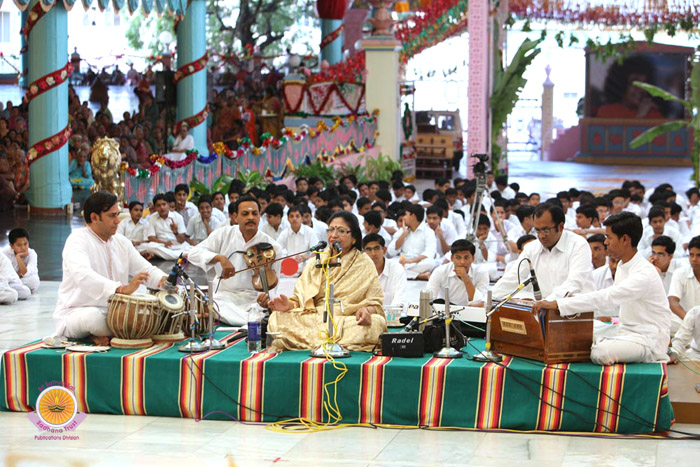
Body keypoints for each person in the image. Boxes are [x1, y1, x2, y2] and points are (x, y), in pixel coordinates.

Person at [533, 212, 672, 365]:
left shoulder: (644, 274)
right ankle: (604, 340)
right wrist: (571, 302)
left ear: (625, 239)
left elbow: (608, 297)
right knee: (575, 330)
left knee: (600, 353)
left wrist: (558, 304)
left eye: (609, 237)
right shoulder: (622, 265)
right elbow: (606, 298)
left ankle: (649, 353)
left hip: (648, 339)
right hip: (624, 330)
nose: (606, 242)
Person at [51, 192, 167, 345]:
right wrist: (120, 289)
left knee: (156, 310)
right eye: (112, 216)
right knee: (95, 319)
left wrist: (164, 281)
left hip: (116, 312)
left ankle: (105, 334)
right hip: (78, 311)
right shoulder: (77, 239)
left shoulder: (121, 241)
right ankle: (94, 333)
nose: (117, 221)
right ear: (94, 218)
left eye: (118, 215)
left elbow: (145, 269)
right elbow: (83, 275)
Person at [263, 211, 386, 352]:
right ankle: (328, 341)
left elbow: (375, 303)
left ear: (353, 238)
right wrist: (288, 305)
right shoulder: (317, 260)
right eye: (331, 230)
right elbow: (299, 299)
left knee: (376, 324)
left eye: (341, 231)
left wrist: (366, 311)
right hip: (314, 317)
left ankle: (308, 341)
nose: (334, 235)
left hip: (346, 318)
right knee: (277, 318)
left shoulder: (364, 263)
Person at [187, 195, 283, 326]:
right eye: (245, 214)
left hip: (253, 299)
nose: (250, 217)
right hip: (224, 297)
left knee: (260, 311)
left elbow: (273, 284)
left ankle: (249, 321)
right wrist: (220, 258)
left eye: (254, 213)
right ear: (235, 217)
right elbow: (193, 253)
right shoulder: (222, 234)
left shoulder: (272, 247)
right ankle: (251, 323)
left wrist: (266, 299)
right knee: (214, 304)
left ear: (259, 217)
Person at [492, 203, 594, 300]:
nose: (541, 236)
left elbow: (574, 283)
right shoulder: (531, 248)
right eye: (537, 230)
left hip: (575, 312)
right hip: (542, 310)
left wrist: (546, 303)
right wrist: (488, 299)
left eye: (546, 230)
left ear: (560, 226)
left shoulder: (578, 245)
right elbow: (512, 278)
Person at [427, 239, 488, 305]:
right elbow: (429, 299)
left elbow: (480, 303)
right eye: (458, 258)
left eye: (466, 257)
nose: (462, 262)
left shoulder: (481, 272)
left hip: (471, 311)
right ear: (452, 258)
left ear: (473, 258)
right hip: (445, 311)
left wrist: (465, 278)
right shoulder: (440, 271)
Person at [387, 204, 437, 279]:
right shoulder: (402, 230)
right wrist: (403, 234)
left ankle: (404, 273)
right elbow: (391, 251)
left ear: (413, 216)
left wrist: (410, 261)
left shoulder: (428, 232)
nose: (404, 218)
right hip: (402, 262)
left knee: (431, 263)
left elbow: (430, 253)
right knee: (389, 264)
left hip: (418, 263)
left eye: (406, 215)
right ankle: (419, 276)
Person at [363, 233, 407, 308]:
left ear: (384, 249)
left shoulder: (396, 269)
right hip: (367, 316)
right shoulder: (361, 271)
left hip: (391, 316)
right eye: (369, 249)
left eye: (376, 248)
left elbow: (400, 300)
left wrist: (388, 317)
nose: (373, 253)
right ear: (363, 252)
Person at [668, 236, 700, 333]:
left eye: (699, 255)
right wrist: (690, 320)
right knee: (666, 320)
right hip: (683, 320)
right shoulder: (680, 273)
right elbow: (673, 302)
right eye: (691, 255)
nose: (694, 259)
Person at [144, 193, 190, 260]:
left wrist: (176, 232)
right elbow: (151, 237)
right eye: (158, 205)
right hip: (162, 245)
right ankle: (180, 256)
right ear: (155, 208)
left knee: (189, 248)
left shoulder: (178, 217)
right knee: (150, 246)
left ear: (168, 205)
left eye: (164, 204)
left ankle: (170, 256)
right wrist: (164, 243)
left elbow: (182, 240)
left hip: (177, 245)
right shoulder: (152, 218)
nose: (162, 207)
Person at [3, 228, 39, 293]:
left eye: (25, 244)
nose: (23, 248)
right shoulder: (5, 253)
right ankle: (14, 288)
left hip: (25, 280)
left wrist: (18, 257)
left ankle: (9, 288)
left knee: (34, 281)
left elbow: (25, 273)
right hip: (11, 279)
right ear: (12, 246)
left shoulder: (32, 254)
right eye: (19, 245)